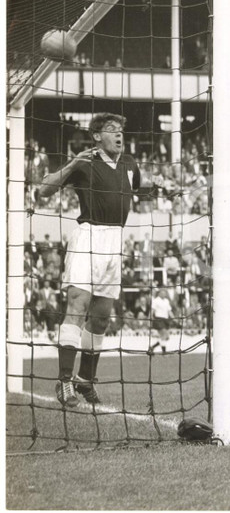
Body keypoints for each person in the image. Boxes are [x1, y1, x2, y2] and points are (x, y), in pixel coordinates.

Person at [37, 113, 176, 407]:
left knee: (101, 317)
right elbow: (44, 189)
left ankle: (85, 380)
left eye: (121, 130)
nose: (119, 135)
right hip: (89, 236)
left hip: (116, 241)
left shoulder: (128, 163)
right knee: (77, 305)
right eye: (112, 130)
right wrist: (74, 162)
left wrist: (163, 185)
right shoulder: (85, 162)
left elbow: (140, 184)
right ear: (97, 136)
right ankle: (64, 382)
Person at [149, 288, 173, 355]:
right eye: (162, 293)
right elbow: (152, 310)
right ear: (159, 293)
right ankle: (163, 352)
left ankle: (152, 347)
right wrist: (151, 317)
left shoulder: (166, 301)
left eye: (164, 293)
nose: (164, 294)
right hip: (159, 319)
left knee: (166, 337)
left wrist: (174, 318)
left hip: (165, 319)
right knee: (164, 335)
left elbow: (169, 310)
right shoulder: (156, 300)